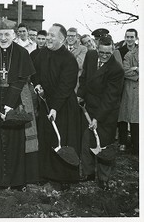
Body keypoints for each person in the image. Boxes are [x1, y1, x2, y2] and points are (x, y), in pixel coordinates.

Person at [0, 17, 37, 191]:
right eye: (0, 34)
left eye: (6, 34)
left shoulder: (21, 53)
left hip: (15, 97)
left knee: (15, 139)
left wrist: (10, 104)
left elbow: (20, 80)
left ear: (13, 35)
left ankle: (17, 181)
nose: (3, 38)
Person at [31, 23, 81, 190]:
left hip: (64, 106)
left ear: (63, 39)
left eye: (53, 36)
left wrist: (55, 108)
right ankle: (45, 174)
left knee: (61, 138)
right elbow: (35, 73)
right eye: (48, 35)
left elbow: (66, 86)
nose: (49, 38)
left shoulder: (69, 59)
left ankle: (62, 178)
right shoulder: (42, 54)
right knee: (46, 137)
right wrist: (37, 84)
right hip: (46, 103)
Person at [77, 35, 124, 190]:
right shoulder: (90, 56)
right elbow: (83, 78)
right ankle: (88, 173)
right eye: (102, 52)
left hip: (106, 112)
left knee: (103, 144)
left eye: (108, 53)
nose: (104, 55)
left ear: (113, 50)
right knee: (87, 141)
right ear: (97, 48)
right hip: (89, 106)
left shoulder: (116, 69)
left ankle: (103, 178)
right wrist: (80, 95)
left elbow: (110, 98)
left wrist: (97, 118)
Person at [117, 29, 139, 152]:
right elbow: (122, 71)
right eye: (127, 37)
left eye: (132, 37)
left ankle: (136, 143)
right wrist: (137, 72)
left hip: (137, 90)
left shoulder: (139, 51)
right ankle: (123, 142)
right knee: (123, 115)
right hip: (124, 86)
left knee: (136, 116)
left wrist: (138, 68)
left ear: (136, 38)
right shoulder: (121, 51)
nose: (129, 39)